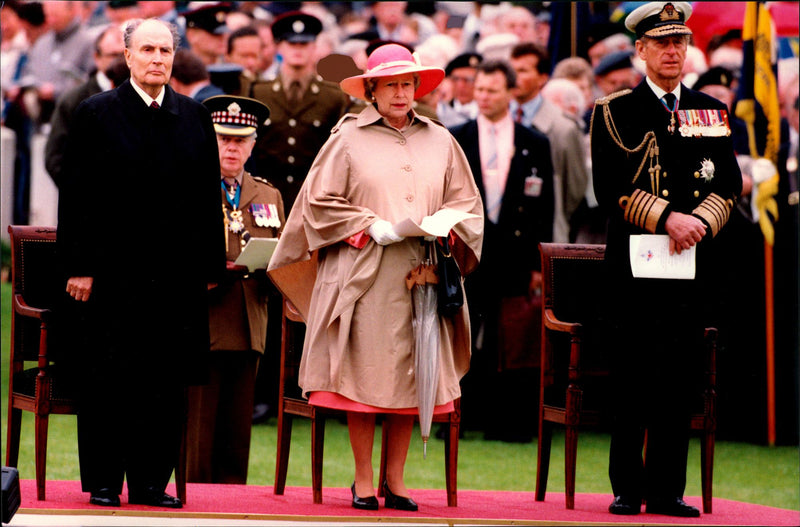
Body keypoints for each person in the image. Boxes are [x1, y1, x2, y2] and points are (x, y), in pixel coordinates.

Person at [266, 43, 483, 511]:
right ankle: (364, 481)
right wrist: (369, 226)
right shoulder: (346, 138)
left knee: (411, 375)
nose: (402, 93)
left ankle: (397, 481)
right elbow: (316, 205)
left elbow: (468, 204)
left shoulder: (442, 140)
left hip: (421, 273)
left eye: (408, 84)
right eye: (391, 85)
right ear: (372, 90)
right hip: (362, 276)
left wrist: (446, 225)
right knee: (361, 384)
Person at [56, 17, 226, 509]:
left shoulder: (194, 116)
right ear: (127, 56)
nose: (157, 58)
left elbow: (202, 199)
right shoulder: (96, 113)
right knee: (109, 379)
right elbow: (78, 195)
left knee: (164, 382)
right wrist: (79, 266)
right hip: (111, 276)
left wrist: (208, 269)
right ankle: (106, 482)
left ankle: (152, 482)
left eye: (165, 50)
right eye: (147, 49)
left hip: (175, 278)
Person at [590, 2, 742, 517]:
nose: (673, 51)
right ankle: (627, 489)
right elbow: (607, 187)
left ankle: (667, 490)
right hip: (634, 268)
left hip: (690, 266)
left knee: (680, 379)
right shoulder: (613, 110)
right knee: (632, 377)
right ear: (641, 50)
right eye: (662, 43)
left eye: (680, 42)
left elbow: (729, 184)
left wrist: (696, 222)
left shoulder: (710, 110)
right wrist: (666, 218)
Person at [449, 59, 554, 440]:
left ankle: (507, 422)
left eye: (492, 90)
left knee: (508, 340)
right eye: (479, 90)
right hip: (467, 253)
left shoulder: (534, 141)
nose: (484, 97)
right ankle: (457, 418)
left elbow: (546, 206)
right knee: (461, 334)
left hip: (515, 254)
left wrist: (539, 265)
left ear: (510, 92)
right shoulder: (457, 136)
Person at [186, 95, 283, 484]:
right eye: (223, 138)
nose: (231, 147)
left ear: (253, 144)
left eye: (240, 140)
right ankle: (194, 505)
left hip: (248, 320)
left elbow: (287, 254)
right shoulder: (188, 187)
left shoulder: (268, 195)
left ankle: (232, 507)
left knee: (237, 430)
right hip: (204, 316)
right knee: (199, 428)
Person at [509, 41, 589, 243]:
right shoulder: (498, 120)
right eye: (511, 70)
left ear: (542, 78)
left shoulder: (563, 128)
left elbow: (574, 191)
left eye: (523, 71)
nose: (513, 77)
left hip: (545, 234)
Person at [45, 24, 127, 186]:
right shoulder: (74, 100)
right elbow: (55, 158)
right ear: (97, 57)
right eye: (113, 55)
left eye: (124, 55)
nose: (120, 61)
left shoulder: (137, 96)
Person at [436, 52, 482, 128]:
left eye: (469, 80)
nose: (461, 86)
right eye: (455, 79)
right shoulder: (439, 111)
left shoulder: (486, 113)